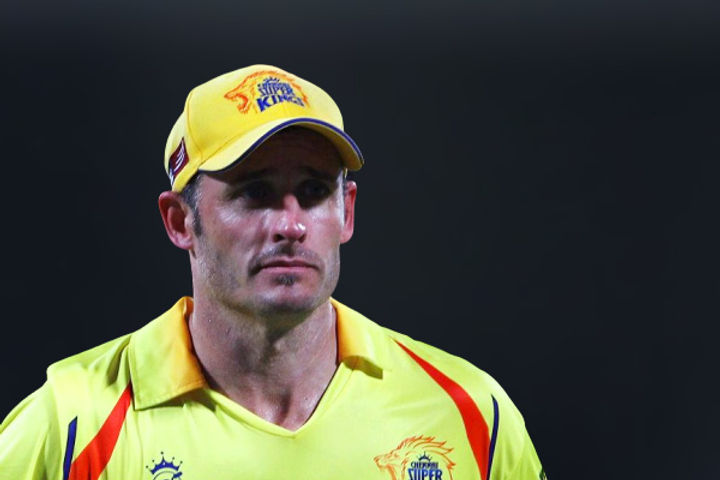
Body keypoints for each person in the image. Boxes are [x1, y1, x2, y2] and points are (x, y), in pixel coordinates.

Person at [0, 65, 546, 480]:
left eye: (313, 191)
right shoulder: (71, 426)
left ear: (346, 212)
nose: (290, 225)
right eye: (254, 193)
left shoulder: (470, 412)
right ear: (180, 221)